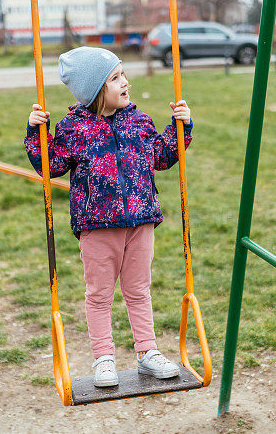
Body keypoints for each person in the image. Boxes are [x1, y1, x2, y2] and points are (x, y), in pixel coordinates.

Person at [24, 46, 192, 388]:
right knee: (100, 294)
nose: (125, 82)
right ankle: (104, 358)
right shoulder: (73, 128)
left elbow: (162, 156)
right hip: (97, 226)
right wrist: (35, 133)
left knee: (138, 289)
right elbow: (51, 165)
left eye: (123, 74)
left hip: (141, 220)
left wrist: (182, 126)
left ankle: (147, 353)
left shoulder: (139, 120)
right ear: (97, 89)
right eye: (116, 78)